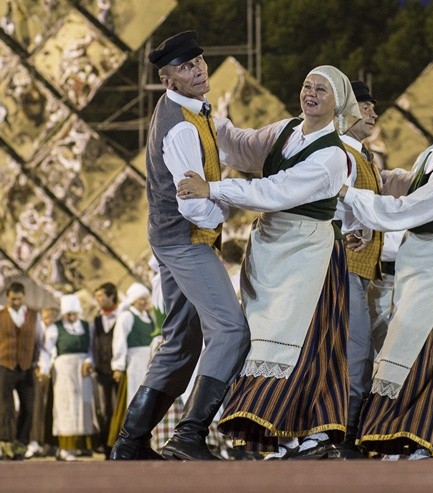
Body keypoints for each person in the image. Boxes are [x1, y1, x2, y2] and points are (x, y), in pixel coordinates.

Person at [178, 65, 361, 459]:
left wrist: (214, 188)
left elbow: (276, 191)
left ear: (337, 104)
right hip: (273, 249)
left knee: (304, 341)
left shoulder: (332, 155)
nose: (310, 93)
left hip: (307, 254)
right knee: (265, 338)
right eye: (307, 85)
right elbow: (242, 145)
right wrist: (203, 110)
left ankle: (307, 432)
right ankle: (285, 436)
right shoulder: (287, 130)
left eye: (321, 90)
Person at [110, 30, 251, 461]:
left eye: (201, 62)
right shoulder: (180, 127)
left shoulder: (189, 110)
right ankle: (189, 436)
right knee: (231, 330)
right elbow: (193, 203)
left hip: (172, 240)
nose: (199, 70)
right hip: (187, 239)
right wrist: (222, 205)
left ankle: (130, 442)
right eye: (187, 68)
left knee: (181, 341)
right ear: (169, 80)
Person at [338, 89, 433, 460]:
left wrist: (350, 194)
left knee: (427, 346)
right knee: (412, 344)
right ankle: (401, 432)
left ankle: (425, 434)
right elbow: (405, 195)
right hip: (418, 263)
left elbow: (405, 210)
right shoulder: (432, 156)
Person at [333, 80, 383, 456]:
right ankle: (344, 434)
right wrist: (355, 228)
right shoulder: (343, 154)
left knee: (355, 349)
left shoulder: (363, 156)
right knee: (357, 348)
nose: (373, 114)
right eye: (365, 107)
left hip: (358, 269)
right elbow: (332, 202)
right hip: (342, 266)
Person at [38, 294, 95, 461]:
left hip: (82, 372)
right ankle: (65, 448)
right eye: (68, 314)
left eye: (74, 314)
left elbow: (91, 349)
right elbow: (46, 351)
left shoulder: (86, 326)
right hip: (63, 371)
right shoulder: (56, 328)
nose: (71, 317)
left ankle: (79, 446)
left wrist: (88, 361)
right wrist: (43, 368)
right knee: (65, 407)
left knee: (83, 407)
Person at [0, 281, 44, 460]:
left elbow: (41, 341)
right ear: (7, 297)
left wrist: (41, 364)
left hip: (27, 368)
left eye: (18, 299)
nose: (15, 302)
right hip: (4, 366)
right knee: (5, 407)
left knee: (28, 406)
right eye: (12, 299)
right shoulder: (1, 314)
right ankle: (5, 444)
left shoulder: (34, 316)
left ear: (23, 296)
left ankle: (20, 444)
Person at [111, 283, 155, 408]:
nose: (145, 302)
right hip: (135, 361)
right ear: (133, 300)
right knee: (136, 393)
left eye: (146, 298)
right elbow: (119, 340)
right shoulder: (127, 316)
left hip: (150, 361)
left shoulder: (149, 317)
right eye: (141, 299)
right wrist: (118, 366)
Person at [25, 305, 59, 459]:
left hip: (52, 372)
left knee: (49, 408)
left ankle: (48, 442)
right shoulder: (37, 329)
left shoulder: (55, 330)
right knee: (36, 407)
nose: (48, 320)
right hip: (37, 371)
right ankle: (33, 441)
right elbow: (40, 349)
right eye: (45, 317)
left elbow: (51, 350)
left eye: (51, 317)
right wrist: (39, 368)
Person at [91, 282, 119, 458]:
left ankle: (121, 446)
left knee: (122, 409)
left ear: (111, 296)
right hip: (101, 371)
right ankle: (107, 448)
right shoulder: (96, 320)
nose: (98, 300)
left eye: (101, 296)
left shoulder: (123, 316)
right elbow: (92, 345)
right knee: (103, 411)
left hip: (119, 371)